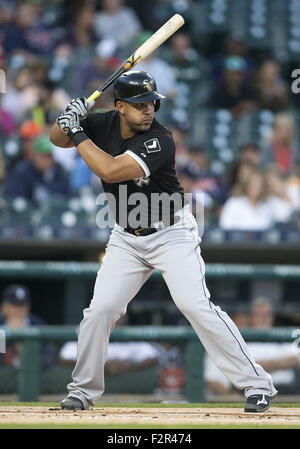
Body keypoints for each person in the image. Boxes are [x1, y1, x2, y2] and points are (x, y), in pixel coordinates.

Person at [50, 70, 277, 413]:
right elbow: (57, 139)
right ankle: (82, 391)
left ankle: (257, 385)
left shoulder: (160, 139)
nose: (149, 110)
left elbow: (110, 170)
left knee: (195, 305)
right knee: (100, 311)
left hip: (171, 232)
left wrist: (78, 129)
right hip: (126, 236)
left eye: (152, 103)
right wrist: (68, 116)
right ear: (121, 106)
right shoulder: (104, 123)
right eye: (140, 104)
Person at [205, 298, 300, 396]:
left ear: (272, 317)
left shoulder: (281, 335)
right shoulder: (243, 338)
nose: (263, 318)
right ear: (252, 317)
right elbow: (241, 367)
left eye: (266, 314)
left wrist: (256, 367)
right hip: (251, 392)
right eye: (258, 315)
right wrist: (281, 363)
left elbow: (295, 359)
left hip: (285, 391)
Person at [0, 284, 56, 369]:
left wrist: (20, 342)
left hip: (35, 379)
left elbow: (48, 358)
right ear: (4, 308)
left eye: (22, 305)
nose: (19, 310)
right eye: (14, 305)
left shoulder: (38, 324)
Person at [4, 133, 70, 204]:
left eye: (50, 156)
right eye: (44, 156)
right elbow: (14, 200)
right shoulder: (22, 173)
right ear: (35, 155)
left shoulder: (58, 172)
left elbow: (68, 196)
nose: (48, 160)